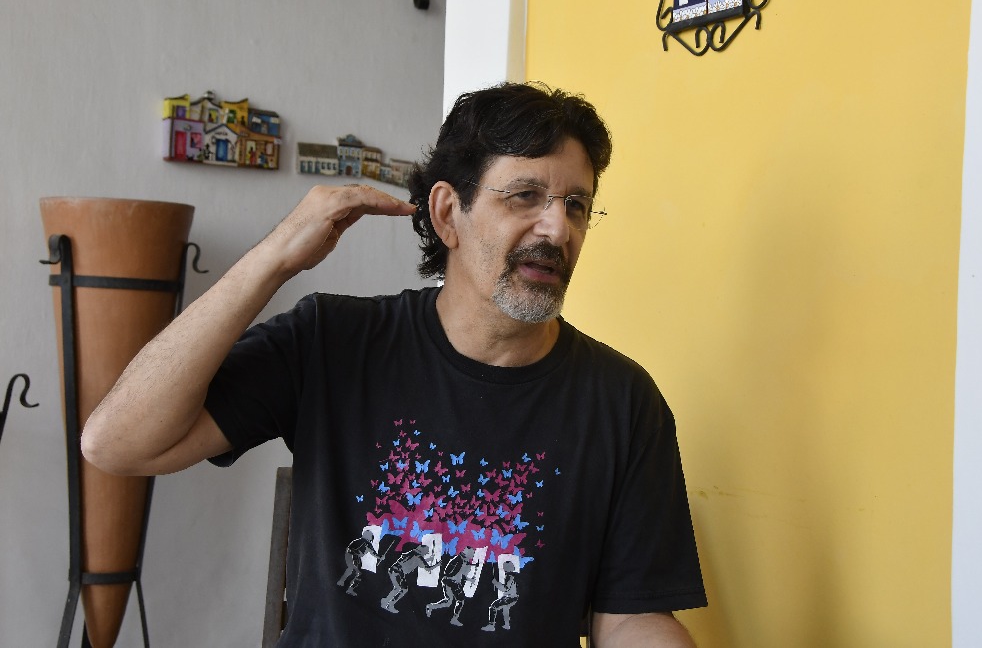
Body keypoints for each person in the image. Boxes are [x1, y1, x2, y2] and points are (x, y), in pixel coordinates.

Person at [83, 82, 707, 647]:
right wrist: (274, 259)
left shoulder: (624, 402)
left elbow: (632, 618)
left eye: (576, 205)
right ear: (448, 213)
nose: (558, 229)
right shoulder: (333, 341)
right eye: (525, 196)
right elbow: (117, 444)